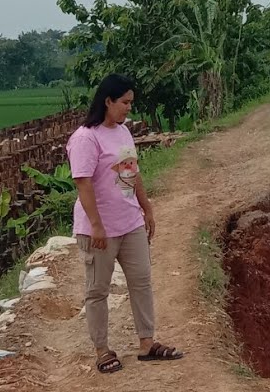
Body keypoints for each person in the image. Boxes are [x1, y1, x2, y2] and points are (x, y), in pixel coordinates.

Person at [67, 74, 184, 373]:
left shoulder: (122, 133)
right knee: (97, 291)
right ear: (107, 101)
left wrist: (146, 208)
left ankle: (147, 342)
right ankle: (102, 350)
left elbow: (130, 172)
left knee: (141, 280)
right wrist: (96, 226)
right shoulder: (85, 138)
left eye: (131, 102)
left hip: (129, 221)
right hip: (100, 228)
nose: (129, 108)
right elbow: (84, 184)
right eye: (125, 102)